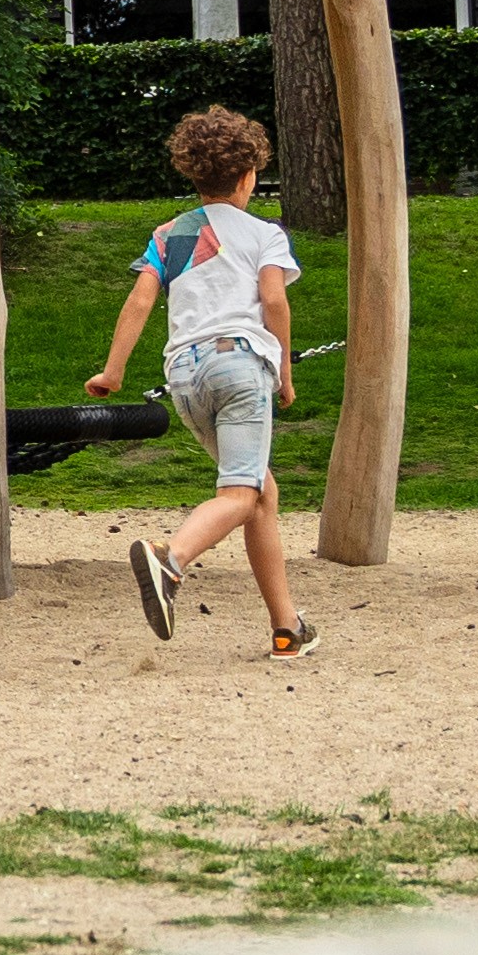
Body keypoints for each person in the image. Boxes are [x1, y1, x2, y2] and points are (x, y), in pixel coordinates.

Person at [84, 104, 316, 654]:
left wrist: (113, 371)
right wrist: (283, 368)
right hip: (239, 365)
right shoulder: (265, 234)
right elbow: (274, 301)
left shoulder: (169, 235)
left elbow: (140, 299)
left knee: (260, 490)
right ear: (247, 176)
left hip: (184, 374)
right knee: (240, 492)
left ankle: (287, 628)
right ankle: (171, 560)